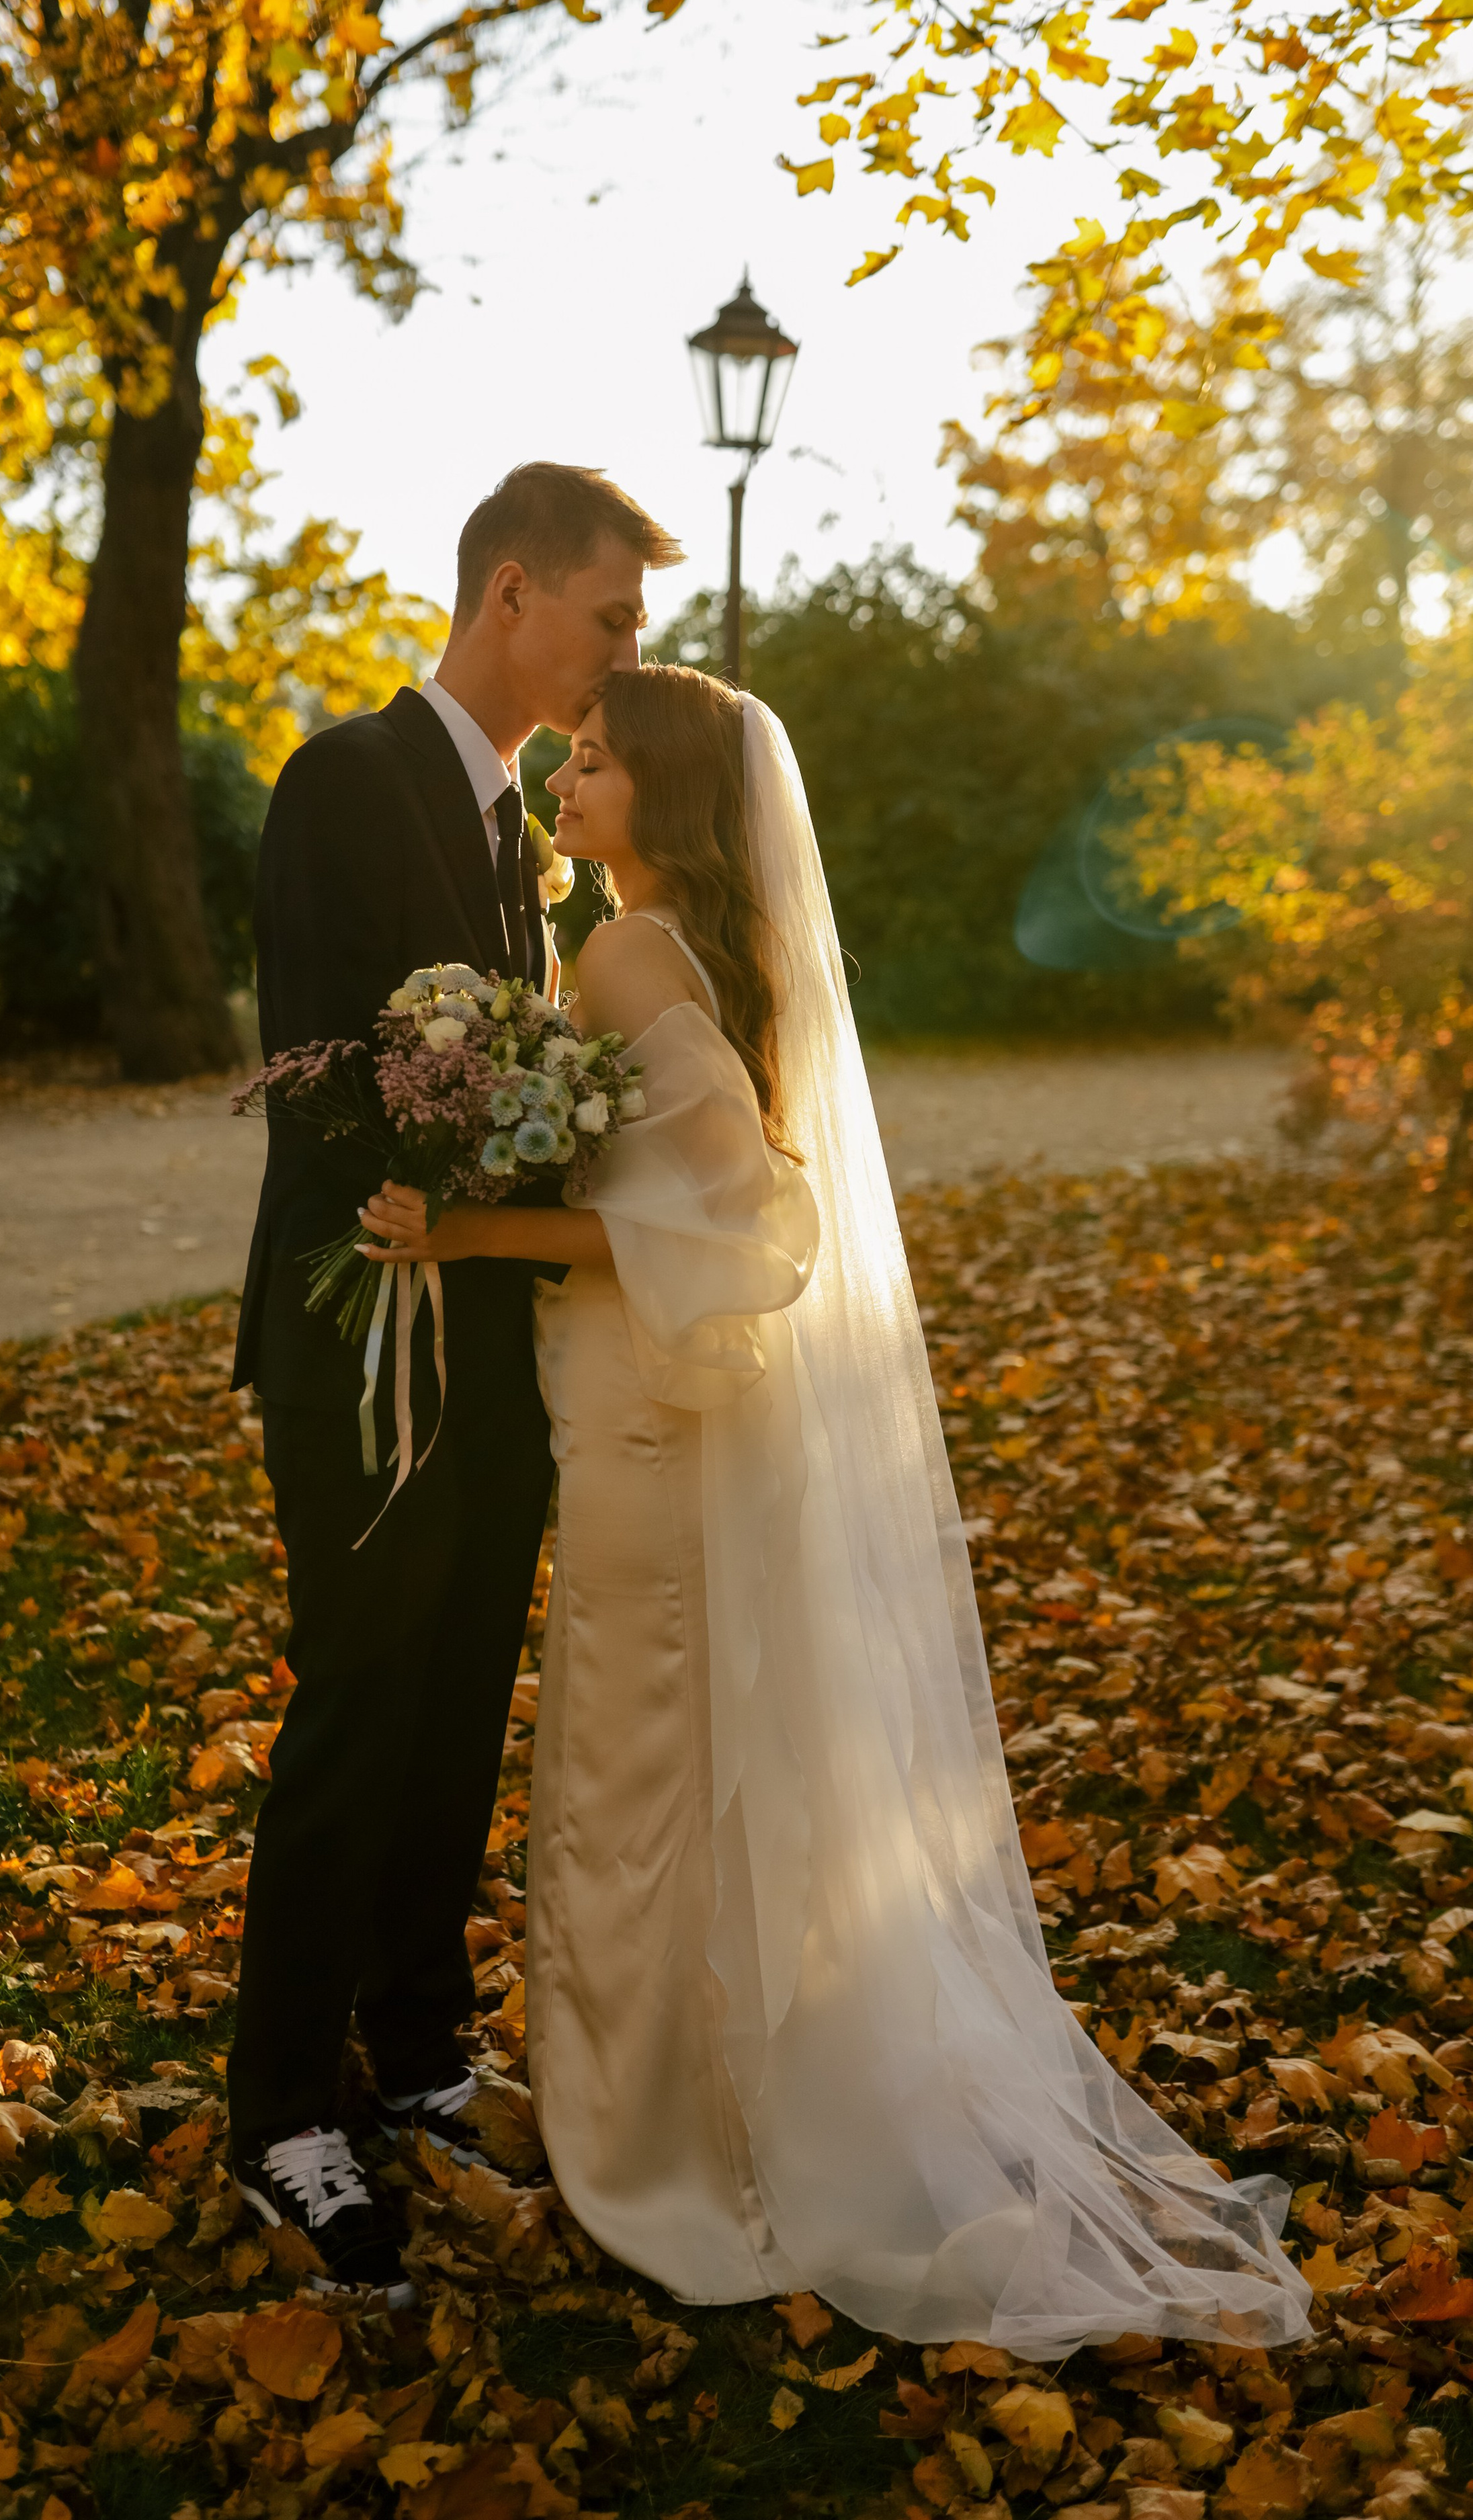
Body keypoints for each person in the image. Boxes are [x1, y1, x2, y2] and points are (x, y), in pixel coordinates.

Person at [357, 666, 1313, 2349]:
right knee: (686, 1758)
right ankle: (706, 2102)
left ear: (662, 796)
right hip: (656, 1409)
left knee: (633, 1766)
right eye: (569, 756)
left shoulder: (628, 952)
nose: (565, 783)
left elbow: (732, 1227)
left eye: (593, 763)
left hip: (644, 1418)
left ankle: (655, 2145)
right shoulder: (718, 956)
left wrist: (470, 1229)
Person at [227, 464, 683, 2304]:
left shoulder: (521, 837)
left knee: (457, 1701)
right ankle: (277, 2108)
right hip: (368, 1338)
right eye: (608, 619)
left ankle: (414, 2049)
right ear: (513, 593)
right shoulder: (349, 776)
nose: (621, 657)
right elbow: (325, 1066)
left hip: (491, 1339)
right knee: (360, 1699)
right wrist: (489, 1132)